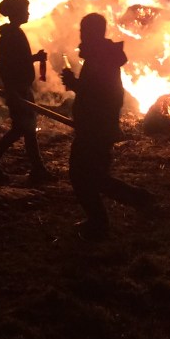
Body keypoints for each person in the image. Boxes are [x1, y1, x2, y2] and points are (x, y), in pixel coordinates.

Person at [60, 12, 153, 240]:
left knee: (84, 175)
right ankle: (139, 200)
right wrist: (78, 86)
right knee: (92, 175)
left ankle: (102, 220)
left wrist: (75, 85)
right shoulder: (99, 56)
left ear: (93, 32)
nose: (81, 35)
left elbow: (101, 94)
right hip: (95, 125)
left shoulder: (100, 59)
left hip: (97, 127)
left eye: (84, 31)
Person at [0, 0, 53, 185]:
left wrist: (34, 58)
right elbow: (5, 66)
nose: (28, 13)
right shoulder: (9, 37)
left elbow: (18, 60)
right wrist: (12, 90)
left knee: (28, 130)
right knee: (20, 129)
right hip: (18, 89)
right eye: (24, 10)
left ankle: (38, 169)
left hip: (22, 87)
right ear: (15, 13)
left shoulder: (15, 33)